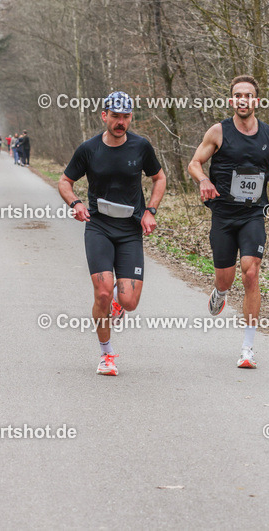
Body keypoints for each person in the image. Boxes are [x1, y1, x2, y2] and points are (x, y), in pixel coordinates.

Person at [187, 75, 269, 369]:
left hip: (252, 214)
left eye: (248, 95)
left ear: (256, 101)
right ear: (232, 101)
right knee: (226, 278)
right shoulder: (219, 131)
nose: (243, 100)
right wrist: (204, 180)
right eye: (238, 96)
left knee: (251, 272)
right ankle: (220, 292)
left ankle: (248, 347)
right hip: (223, 214)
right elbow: (194, 163)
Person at [59, 92, 166, 376]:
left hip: (130, 229)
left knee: (129, 302)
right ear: (104, 115)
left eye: (126, 116)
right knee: (103, 292)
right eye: (115, 116)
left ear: (131, 117)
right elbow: (65, 181)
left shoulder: (141, 147)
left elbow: (159, 178)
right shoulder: (89, 149)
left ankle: (118, 304)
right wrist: (76, 203)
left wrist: (150, 211)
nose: (121, 122)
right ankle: (107, 354)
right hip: (99, 228)